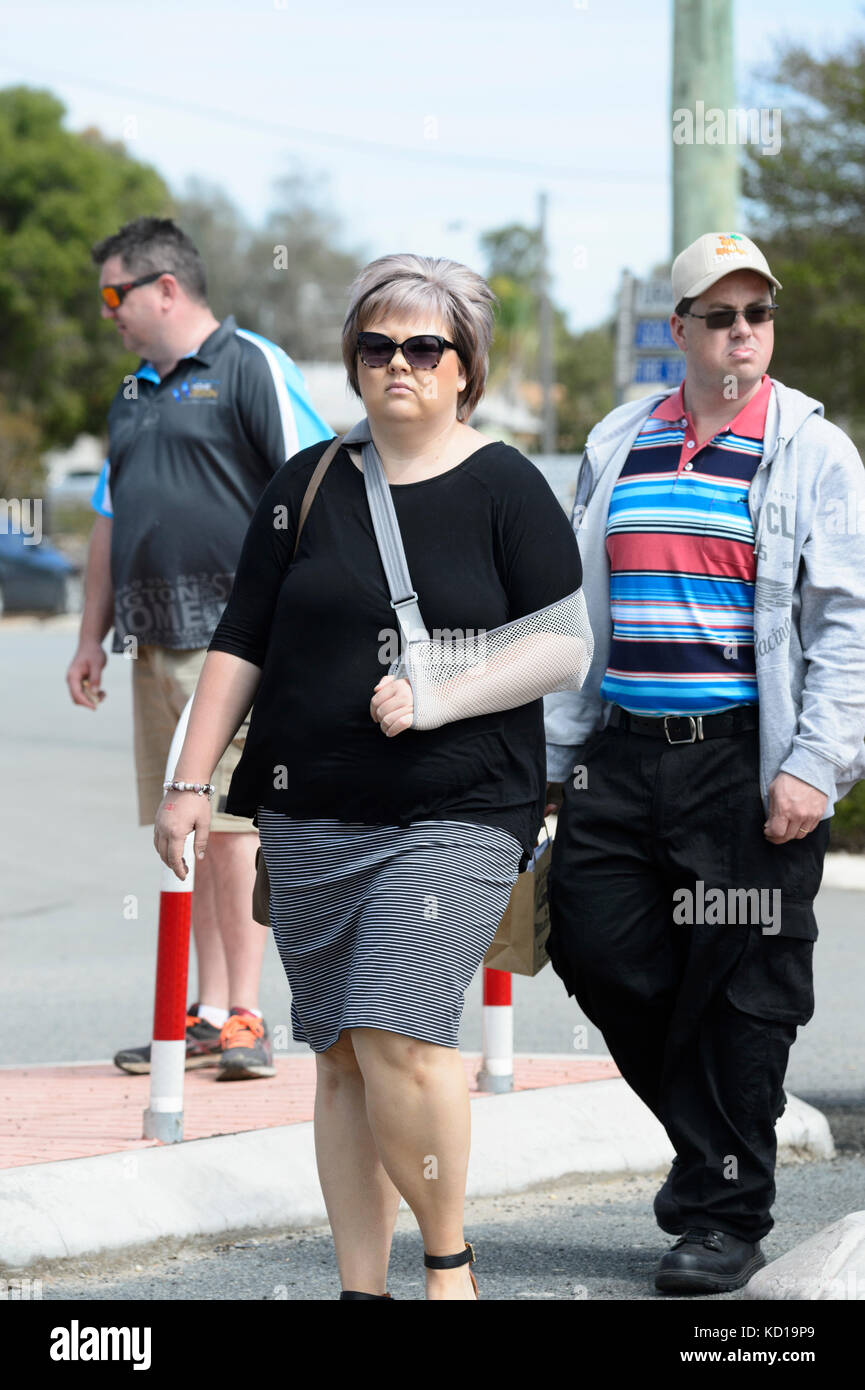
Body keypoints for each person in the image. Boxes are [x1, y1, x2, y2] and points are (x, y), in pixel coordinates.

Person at [153, 253, 589, 1299]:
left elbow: (564, 647)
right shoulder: (303, 484)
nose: (398, 363)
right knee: (343, 1054)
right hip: (310, 811)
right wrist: (188, 780)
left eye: (423, 346)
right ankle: (363, 1288)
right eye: (376, 345)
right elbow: (240, 638)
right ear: (353, 360)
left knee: (399, 1032)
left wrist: (440, 691)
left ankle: (449, 1266)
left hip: (460, 808)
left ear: (462, 368)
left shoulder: (505, 485)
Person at [544, 230, 865, 1295]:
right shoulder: (616, 440)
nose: (740, 333)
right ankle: (716, 1147)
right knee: (593, 943)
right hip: (622, 756)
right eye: (717, 315)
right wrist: (554, 754)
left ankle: (723, 1212)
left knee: (745, 991)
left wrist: (814, 765)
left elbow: (847, 625)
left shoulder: (812, 451)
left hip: (742, 760)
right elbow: (574, 612)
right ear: (676, 330)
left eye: (756, 315)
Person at [66, 217, 331, 1080]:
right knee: (192, 832)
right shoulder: (131, 394)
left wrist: (306, 626)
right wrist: (88, 637)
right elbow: (111, 514)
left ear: (166, 288)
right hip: (149, 644)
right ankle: (207, 1012)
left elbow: (312, 480)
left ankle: (246, 1013)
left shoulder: (249, 365)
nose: (108, 312)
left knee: (234, 824)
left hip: (236, 646)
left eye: (116, 294)